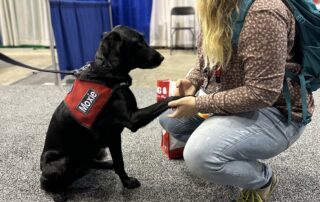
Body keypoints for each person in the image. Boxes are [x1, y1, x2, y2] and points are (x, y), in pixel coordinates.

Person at [159, 0, 315, 201]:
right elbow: (206, 56)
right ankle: (224, 146)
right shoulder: (215, 7)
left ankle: (263, 180)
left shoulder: (263, 12)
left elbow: (262, 93)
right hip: (233, 97)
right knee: (170, 119)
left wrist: (199, 104)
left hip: (277, 111)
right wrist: (193, 81)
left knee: (199, 156)